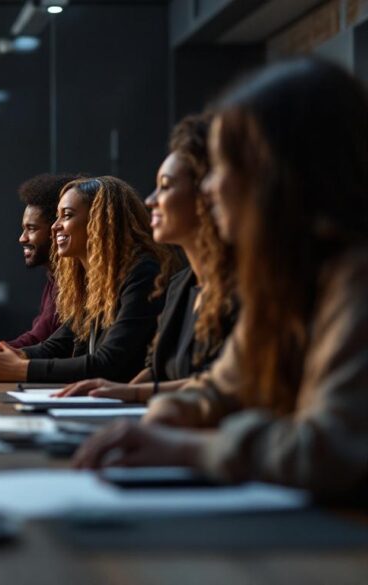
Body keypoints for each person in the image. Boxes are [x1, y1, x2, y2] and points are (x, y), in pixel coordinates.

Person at [74, 58, 368, 497]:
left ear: (277, 173)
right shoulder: (286, 278)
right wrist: (171, 414)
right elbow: (223, 387)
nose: (210, 187)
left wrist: (188, 448)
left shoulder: (355, 278)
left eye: (226, 165)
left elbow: (328, 451)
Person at [55, 116, 236, 401]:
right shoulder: (179, 284)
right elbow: (155, 369)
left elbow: (229, 384)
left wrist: (131, 394)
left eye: (165, 186)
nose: (151, 200)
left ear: (207, 196)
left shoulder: (242, 286)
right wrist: (124, 394)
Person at [0, 176, 175, 383]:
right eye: (57, 217)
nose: (55, 226)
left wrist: (22, 369)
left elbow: (108, 363)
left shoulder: (142, 273)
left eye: (67, 215)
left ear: (101, 221)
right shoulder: (95, 280)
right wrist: (12, 355)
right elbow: (59, 345)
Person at [0, 174, 79, 353]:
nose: (22, 238)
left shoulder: (76, 281)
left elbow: (46, 342)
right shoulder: (55, 278)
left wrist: (0, 352)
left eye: (31, 229)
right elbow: (39, 338)